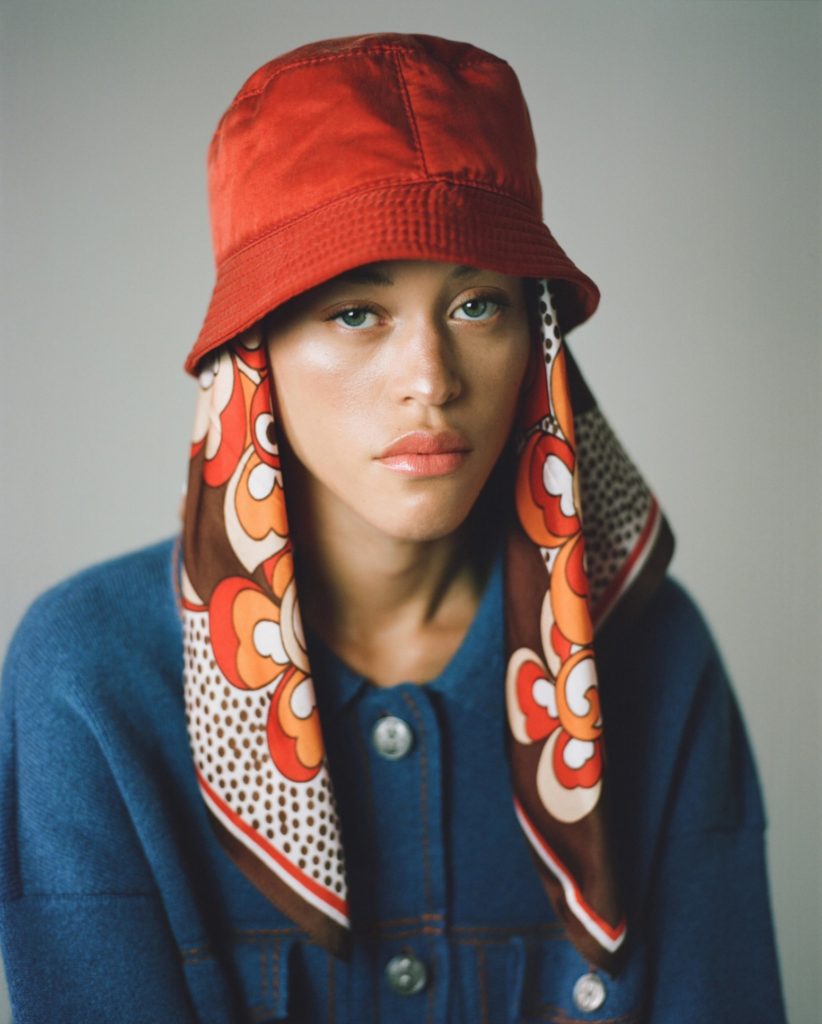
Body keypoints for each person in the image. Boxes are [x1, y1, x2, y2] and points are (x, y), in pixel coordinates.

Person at [0, 33, 786, 1023]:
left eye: (477, 303)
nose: (432, 378)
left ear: (537, 338)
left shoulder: (657, 655)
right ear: (253, 354)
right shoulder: (87, 682)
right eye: (356, 312)